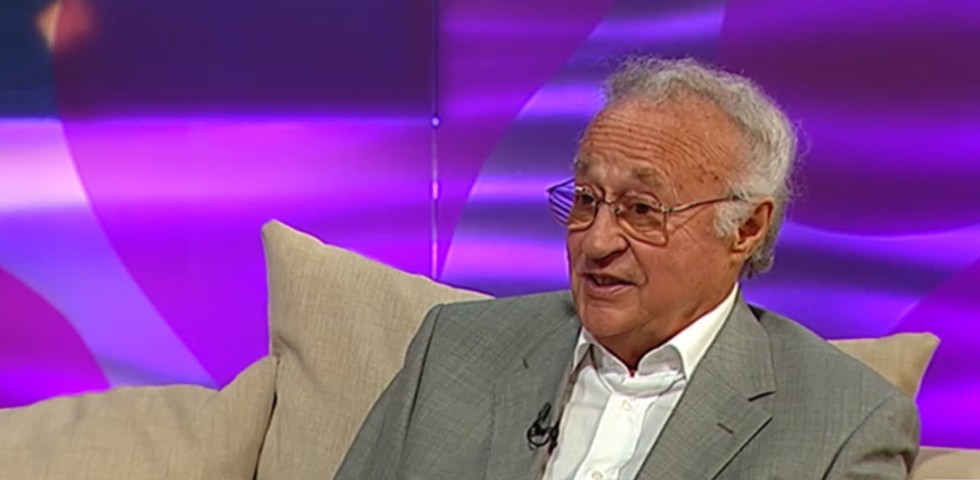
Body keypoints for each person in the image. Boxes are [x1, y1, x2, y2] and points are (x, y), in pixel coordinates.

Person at [334, 56, 918, 479]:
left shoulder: (844, 421)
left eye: (642, 210)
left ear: (745, 228)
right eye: (586, 200)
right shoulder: (454, 349)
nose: (597, 241)